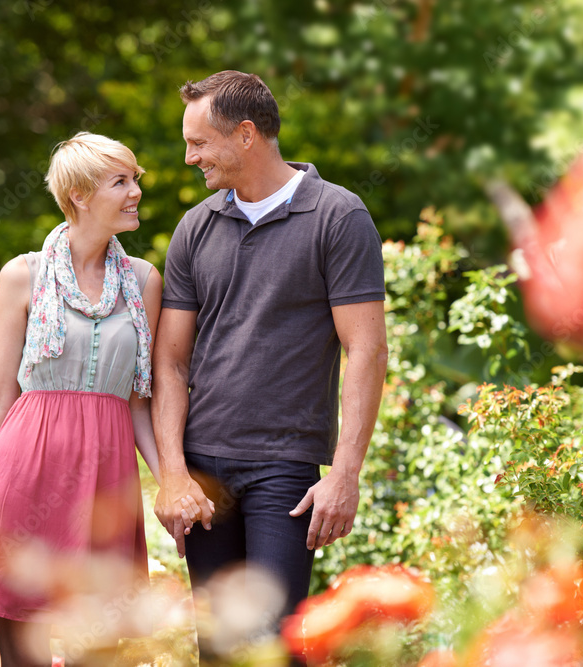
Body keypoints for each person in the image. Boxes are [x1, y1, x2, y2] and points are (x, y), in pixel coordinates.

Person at [151, 70, 388, 656]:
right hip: (204, 475)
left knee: (277, 644)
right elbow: (170, 364)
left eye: (199, 143)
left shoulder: (338, 217)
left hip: (284, 468)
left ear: (247, 134)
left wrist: (345, 472)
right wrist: (174, 475)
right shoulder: (195, 227)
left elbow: (366, 349)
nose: (189, 158)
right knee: (221, 648)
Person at [0, 132, 167, 666]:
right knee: (22, 657)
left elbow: (140, 403)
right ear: (78, 195)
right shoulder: (22, 275)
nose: (136, 191)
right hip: (24, 477)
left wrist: (174, 485)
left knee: (97, 654)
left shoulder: (144, 281)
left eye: (135, 178)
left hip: (107, 488)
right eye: (121, 181)